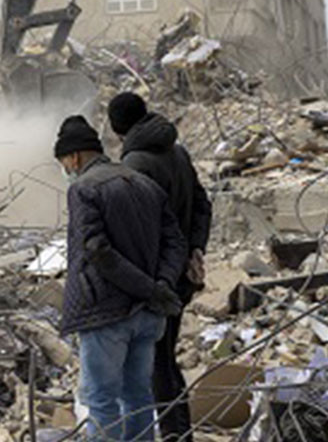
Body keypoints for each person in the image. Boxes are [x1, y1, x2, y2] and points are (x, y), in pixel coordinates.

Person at [55, 115, 186, 441]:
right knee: (139, 396)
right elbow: (176, 243)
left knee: (101, 400)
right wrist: (163, 286)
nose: (66, 170)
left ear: (73, 158)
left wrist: (149, 288)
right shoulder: (145, 184)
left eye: (64, 162)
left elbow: (97, 251)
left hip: (106, 313)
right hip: (149, 314)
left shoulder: (84, 189)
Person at [107, 92, 213, 442]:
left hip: (157, 281)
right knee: (164, 358)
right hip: (179, 276)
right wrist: (196, 248)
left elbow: (141, 232)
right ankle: (178, 431)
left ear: (116, 127)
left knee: (155, 363)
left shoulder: (136, 164)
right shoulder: (177, 152)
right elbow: (202, 204)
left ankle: (174, 433)